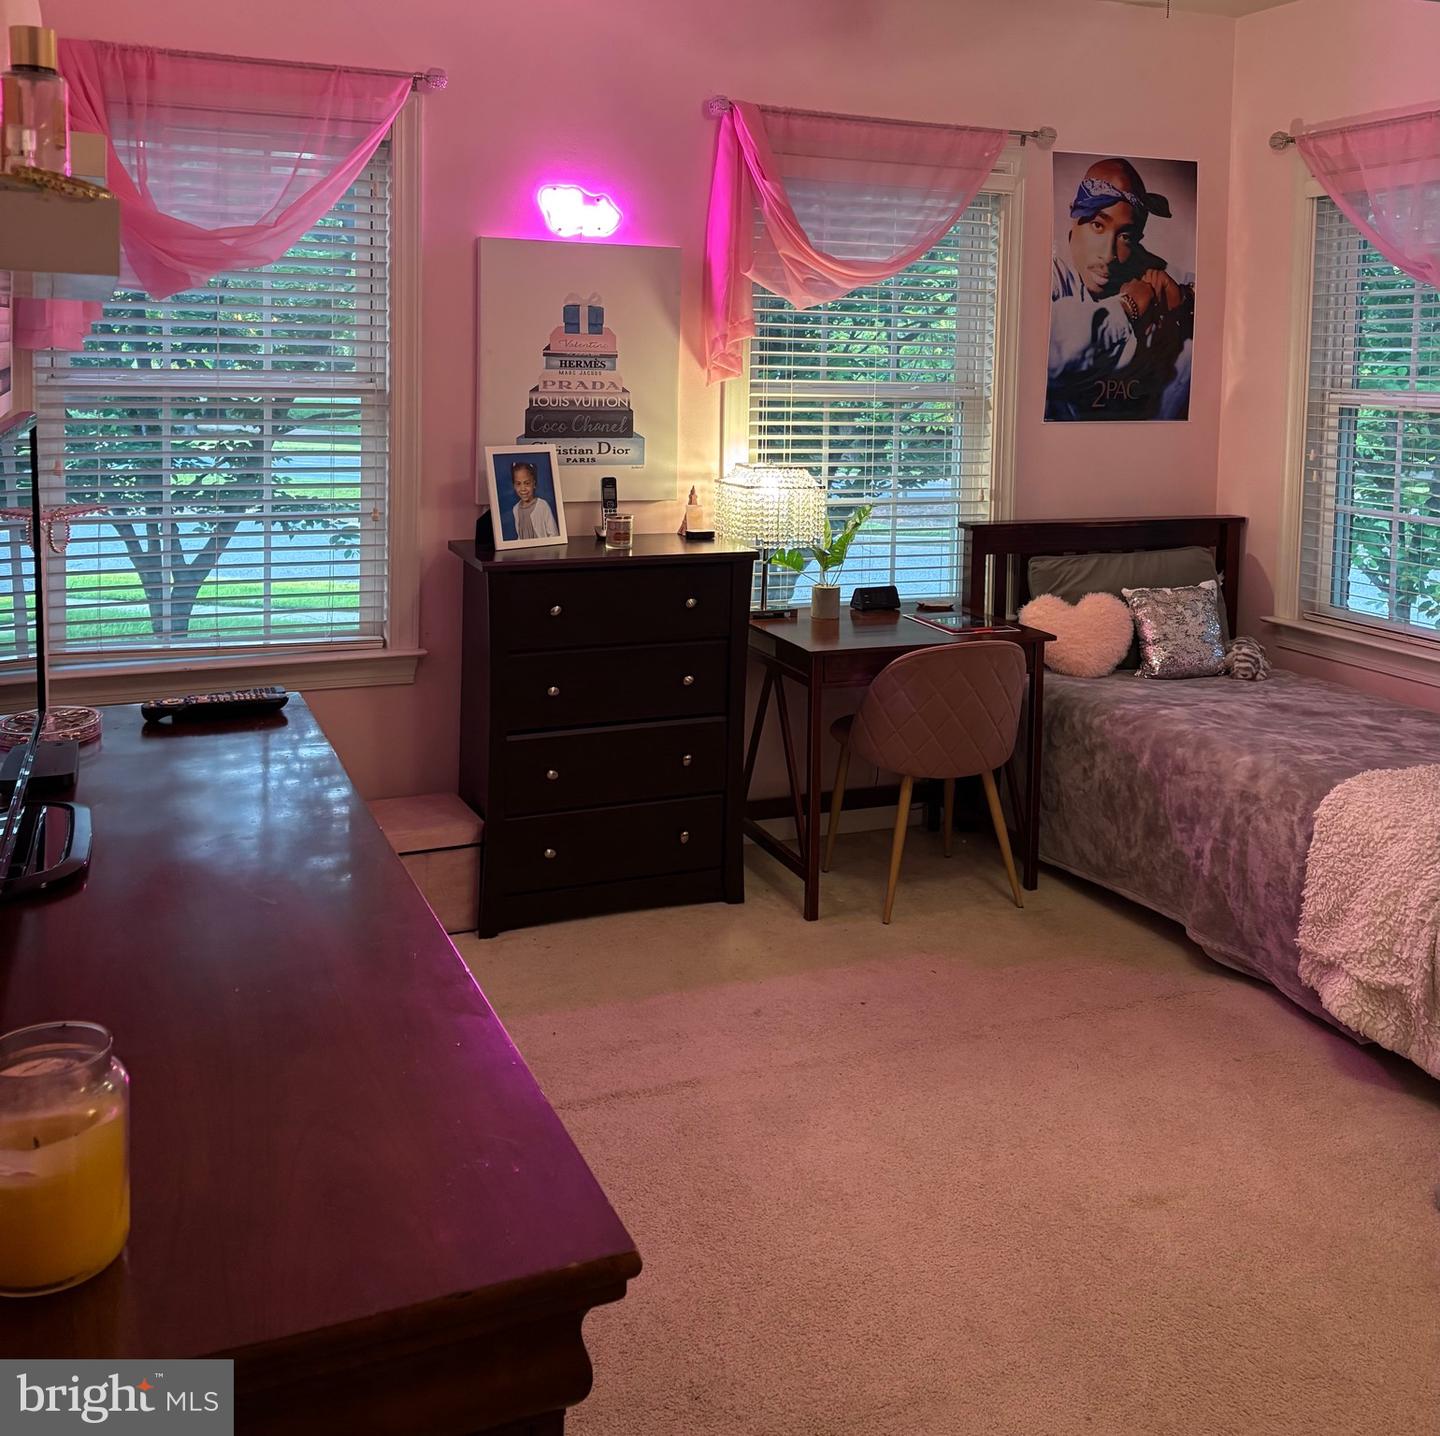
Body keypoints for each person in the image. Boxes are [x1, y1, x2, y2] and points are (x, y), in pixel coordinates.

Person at [1047, 157, 1195, 422]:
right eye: (1097, 225)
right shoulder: (1048, 271)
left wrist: (1187, 297)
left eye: (1125, 236)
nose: (1108, 255)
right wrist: (1129, 307)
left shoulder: (1144, 266)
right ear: (1073, 215)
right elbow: (1050, 353)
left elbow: (1226, 300)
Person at [509, 461, 559, 540]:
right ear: (514, 486)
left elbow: (554, 534)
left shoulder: (542, 505)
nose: (523, 488)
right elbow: (520, 535)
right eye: (518, 484)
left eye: (527, 483)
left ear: (534, 484)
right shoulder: (515, 509)